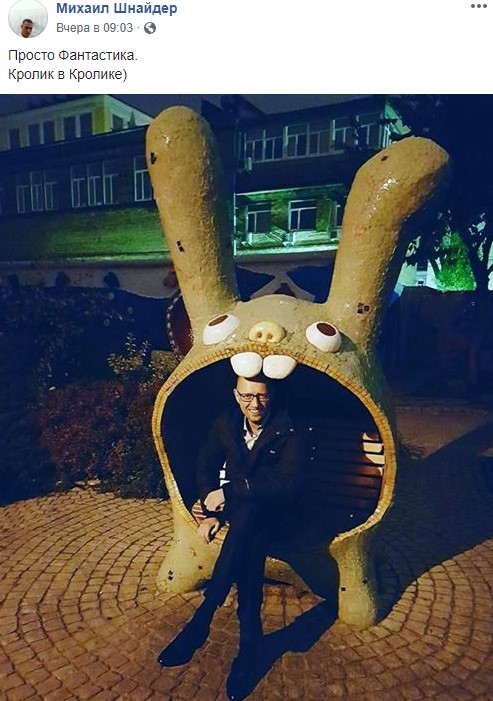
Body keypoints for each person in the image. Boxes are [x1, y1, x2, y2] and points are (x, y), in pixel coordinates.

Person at [158, 373, 307, 700]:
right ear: (236, 395)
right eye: (247, 396)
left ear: (272, 395)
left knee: (251, 516)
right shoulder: (225, 424)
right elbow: (204, 467)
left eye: (262, 396)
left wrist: (228, 492)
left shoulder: (288, 428)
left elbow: (288, 485)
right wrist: (210, 513)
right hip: (242, 518)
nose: (255, 404)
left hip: (279, 517)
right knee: (248, 531)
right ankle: (249, 643)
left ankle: (203, 617)